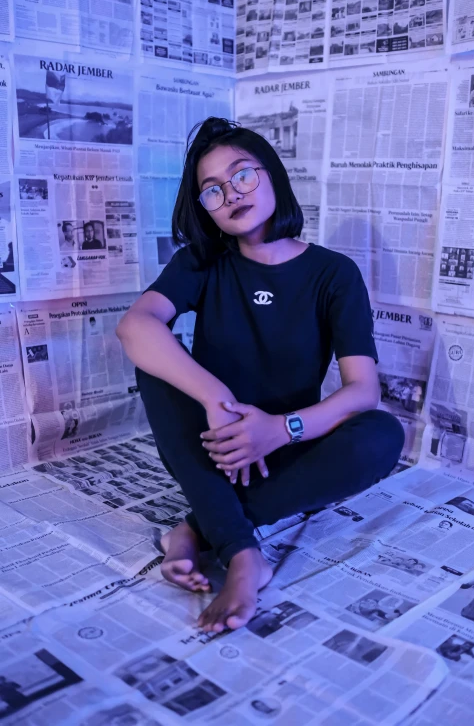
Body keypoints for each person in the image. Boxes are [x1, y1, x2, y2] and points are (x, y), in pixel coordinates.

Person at [116, 117, 404, 635]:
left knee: (383, 434)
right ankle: (245, 553)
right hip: (213, 446)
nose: (231, 194)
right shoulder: (200, 262)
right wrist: (214, 397)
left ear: (271, 174)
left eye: (242, 175)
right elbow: (135, 326)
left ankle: (197, 530)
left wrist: (279, 428)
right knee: (156, 362)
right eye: (212, 191)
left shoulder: (333, 274)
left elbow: (364, 390)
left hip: (286, 448)